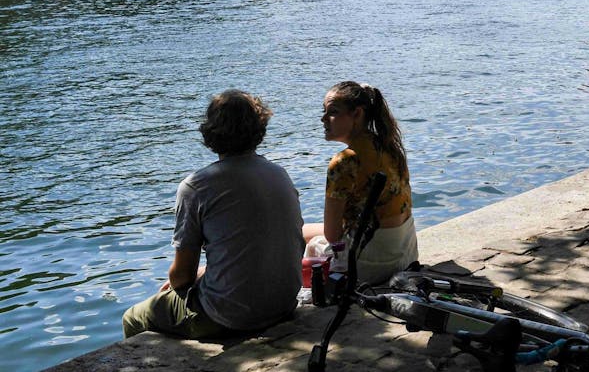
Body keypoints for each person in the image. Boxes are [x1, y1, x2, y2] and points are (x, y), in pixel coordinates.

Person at [122, 91, 305, 339]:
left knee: (133, 317)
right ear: (259, 128)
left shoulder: (197, 186)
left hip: (230, 315)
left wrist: (183, 283)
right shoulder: (279, 174)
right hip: (282, 304)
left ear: (210, 132)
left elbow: (181, 277)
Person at [302, 81, 418, 286]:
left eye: (332, 112)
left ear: (357, 114)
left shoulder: (345, 161)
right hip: (404, 255)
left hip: (369, 265)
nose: (323, 119)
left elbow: (332, 235)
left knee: (300, 235)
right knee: (303, 229)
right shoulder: (390, 147)